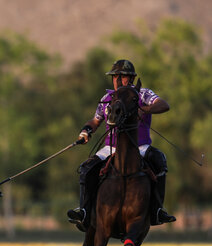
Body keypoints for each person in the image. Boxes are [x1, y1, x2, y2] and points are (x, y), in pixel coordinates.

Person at [67, 59, 176, 232]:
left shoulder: (143, 94)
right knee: (86, 167)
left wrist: (145, 109)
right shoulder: (107, 98)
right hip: (111, 146)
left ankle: (157, 210)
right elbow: (96, 120)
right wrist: (86, 130)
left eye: (122, 76)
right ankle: (85, 211)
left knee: (159, 160)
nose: (117, 79)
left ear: (132, 78)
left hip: (139, 147)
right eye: (115, 76)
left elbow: (164, 105)